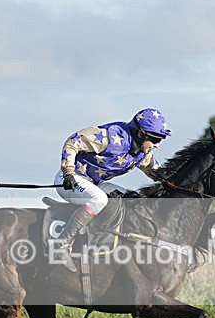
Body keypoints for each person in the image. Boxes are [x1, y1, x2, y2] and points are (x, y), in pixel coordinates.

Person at [53, 107, 171, 271]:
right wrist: (68, 173)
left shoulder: (142, 153)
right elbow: (73, 141)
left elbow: (161, 175)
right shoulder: (110, 136)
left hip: (95, 184)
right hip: (69, 180)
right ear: (140, 134)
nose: (157, 145)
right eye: (155, 140)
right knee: (99, 199)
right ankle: (61, 244)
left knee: (132, 198)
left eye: (160, 140)